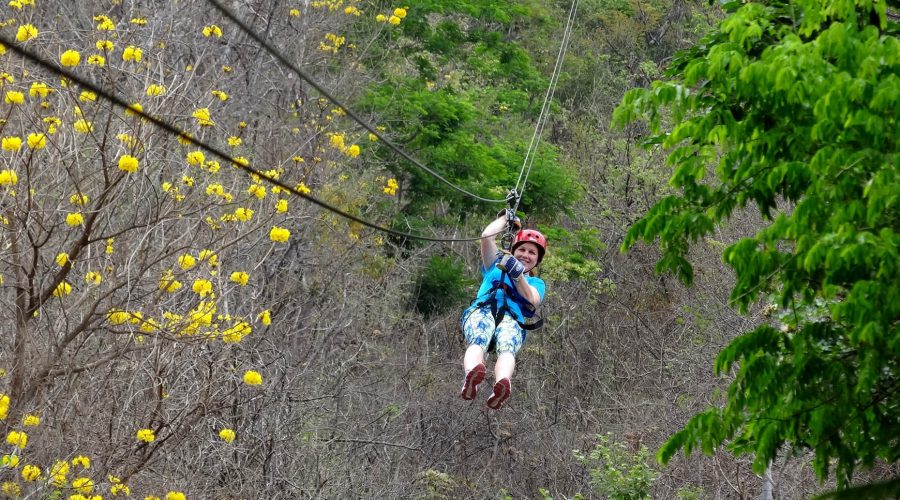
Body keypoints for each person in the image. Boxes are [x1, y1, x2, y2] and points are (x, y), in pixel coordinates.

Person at [460, 210, 547, 409]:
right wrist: (505, 220)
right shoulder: (495, 264)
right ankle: (473, 372)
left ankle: (502, 382)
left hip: (512, 319)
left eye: (532, 253)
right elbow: (486, 237)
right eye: (522, 250)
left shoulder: (536, 282)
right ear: (514, 250)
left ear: (537, 260)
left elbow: (532, 300)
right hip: (483, 310)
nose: (526, 255)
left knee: (507, 348)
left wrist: (517, 275)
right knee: (478, 338)